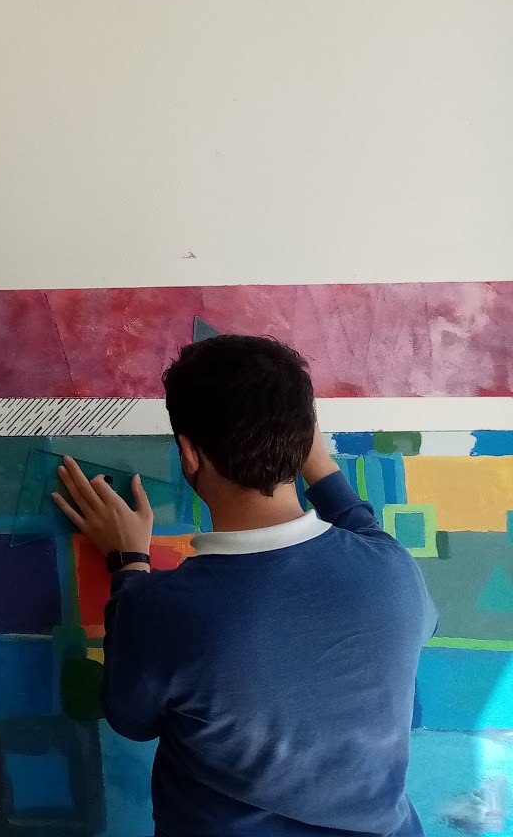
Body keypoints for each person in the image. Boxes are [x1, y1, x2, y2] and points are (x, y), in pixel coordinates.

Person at [51, 334, 437, 837]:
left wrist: (129, 564)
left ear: (189, 454)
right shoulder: (394, 571)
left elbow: (131, 720)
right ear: (307, 437)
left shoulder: (162, 609)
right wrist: (318, 464)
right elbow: (362, 530)